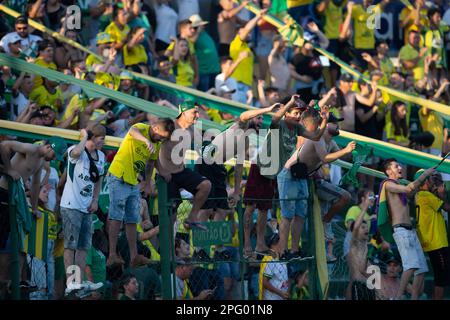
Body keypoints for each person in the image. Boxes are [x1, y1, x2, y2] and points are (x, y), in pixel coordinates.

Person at [107, 118, 175, 267]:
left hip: (133, 181)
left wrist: (148, 182)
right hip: (119, 175)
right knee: (116, 216)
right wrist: (145, 141)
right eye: (162, 136)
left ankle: (134, 256)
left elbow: (151, 162)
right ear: (155, 128)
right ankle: (112, 254)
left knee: (132, 219)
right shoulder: (141, 128)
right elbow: (132, 131)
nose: (162, 139)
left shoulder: (156, 144)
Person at [0, 137, 66, 288]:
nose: (55, 158)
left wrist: (35, 208)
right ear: (49, 147)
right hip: (3, 193)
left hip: (13, 199)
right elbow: (4, 145)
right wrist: (9, 169)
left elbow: (36, 184)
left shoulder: (41, 161)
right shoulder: (32, 149)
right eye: (55, 154)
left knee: (9, 241)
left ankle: (10, 281)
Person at [380, 159, 436, 299]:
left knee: (421, 270)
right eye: (396, 166)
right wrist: (425, 174)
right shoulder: (388, 184)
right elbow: (408, 189)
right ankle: (398, 297)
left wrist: (423, 178)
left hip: (410, 231)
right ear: (388, 171)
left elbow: (411, 191)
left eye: (399, 165)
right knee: (411, 266)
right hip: (401, 231)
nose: (400, 167)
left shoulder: (399, 184)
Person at [60, 126, 106, 295]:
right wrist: (84, 136)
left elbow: (98, 181)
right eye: (101, 137)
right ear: (92, 137)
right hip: (71, 205)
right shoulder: (76, 149)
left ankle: (79, 281)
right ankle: (70, 282)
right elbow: (75, 154)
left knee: (83, 247)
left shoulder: (101, 156)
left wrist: (95, 200)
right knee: (70, 245)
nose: (104, 141)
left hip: (87, 208)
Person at [156, 100, 211, 231]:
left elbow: (206, 121)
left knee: (206, 185)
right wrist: (160, 172)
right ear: (184, 113)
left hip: (181, 172)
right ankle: (166, 249)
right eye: (194, 112)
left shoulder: (192, 131)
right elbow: (153, 149)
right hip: (166, 175)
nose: (197, 115)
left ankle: (191, 218)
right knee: (171, 218)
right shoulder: (170, 127)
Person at [415, 169, 450, 300]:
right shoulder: (426, 196)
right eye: (431, 179)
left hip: (434, 242)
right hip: (436, 242)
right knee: (441, 279)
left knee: (441, 278)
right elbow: (447, 207)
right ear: (425, 181)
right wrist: (441, 193)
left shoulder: (420, 195)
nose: (433, 182)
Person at [229, 8, 267, 104]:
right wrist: (258, 16)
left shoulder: (246, 47)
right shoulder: (236, 43)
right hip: (238, 84)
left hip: (246, 85)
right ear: (238, 33)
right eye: (246, 32)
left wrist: (255, 77)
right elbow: (247, 29)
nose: (249, 33)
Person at [347, 195, 375, 300]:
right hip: (358, 286)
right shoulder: (354, 243)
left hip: (369, 287)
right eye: (363, 227)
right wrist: (365, 208)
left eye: (366, 227)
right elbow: (355, 227)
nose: (365, 229)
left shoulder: (367, 246)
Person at [189, 14, 220, 92]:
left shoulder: (204, 33)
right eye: (199, 26)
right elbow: (191, 42)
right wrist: (197, 31)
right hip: (204, 72)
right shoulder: (193, 35)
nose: (202, 26)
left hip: (213, 71)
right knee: (204, 98)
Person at [343, 189, 376, 259]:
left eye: (374, 197)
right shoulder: (354, 209)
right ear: (363, 199)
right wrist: (368, 219)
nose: (373, 199)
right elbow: (350, 226)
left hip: (362, 248)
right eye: (370, 196)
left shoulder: (367, 215)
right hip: (351, 246)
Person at [259, 232, 289, 300]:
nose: (282, 243)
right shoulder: (270, 260)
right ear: (274, 244)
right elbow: (265, 282)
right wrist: (280, 293)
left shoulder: (280, 258)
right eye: (280, 241)